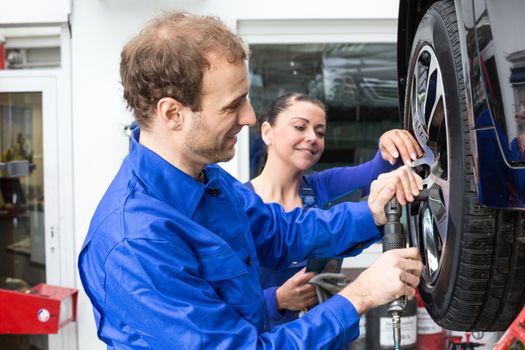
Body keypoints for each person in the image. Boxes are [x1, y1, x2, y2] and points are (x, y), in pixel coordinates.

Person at [78, 11, 424, 349]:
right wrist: (358, 296)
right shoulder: (135, 242)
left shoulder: (208, 180)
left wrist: (373, 213)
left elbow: (282, 234)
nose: (250, 117)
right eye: (232, 106)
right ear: (173, 113)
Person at [246, 92, 423, 326]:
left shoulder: (324, 187)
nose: (312, 138)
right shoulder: (239, 204)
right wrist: (276, 300)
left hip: (326, 332)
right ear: (267, 132)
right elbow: (219, 297)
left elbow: (378, 171)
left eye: (320, 132)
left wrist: (390, 143)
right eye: (300, 127)